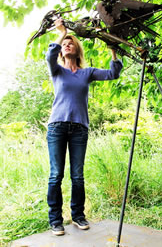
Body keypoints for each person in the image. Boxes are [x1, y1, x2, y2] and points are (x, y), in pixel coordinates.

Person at [45, 18, 123, 236]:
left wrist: (113, 51)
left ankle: (78, 216)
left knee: (77, 176)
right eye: (64, 44)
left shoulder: (86, 73)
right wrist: (62, 32)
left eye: (71, 42)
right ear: (61, 50)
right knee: (56, 175)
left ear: (77, 48)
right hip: (57, 128)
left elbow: (113, 73)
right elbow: (50, 53)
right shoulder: (57, 71)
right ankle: (55, 220)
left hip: (79, 128)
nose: (67, 44)